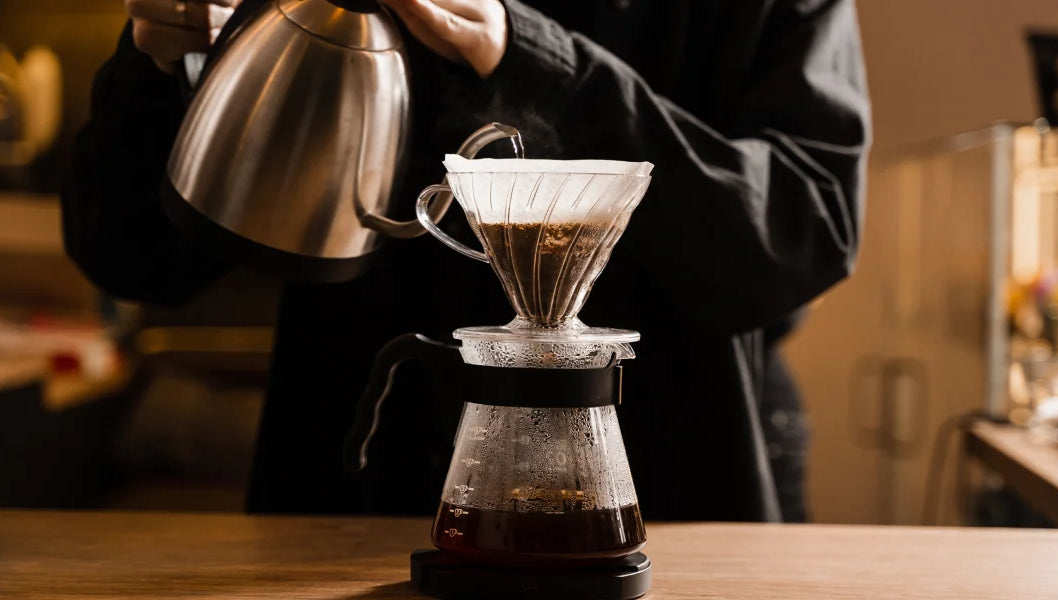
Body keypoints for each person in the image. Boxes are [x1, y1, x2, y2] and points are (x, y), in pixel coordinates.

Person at [63, 0, 870, 521]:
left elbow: (804, 234)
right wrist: (159, 62)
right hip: (351, 490)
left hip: (664, 493)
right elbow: (134, 258)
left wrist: (537, 62)